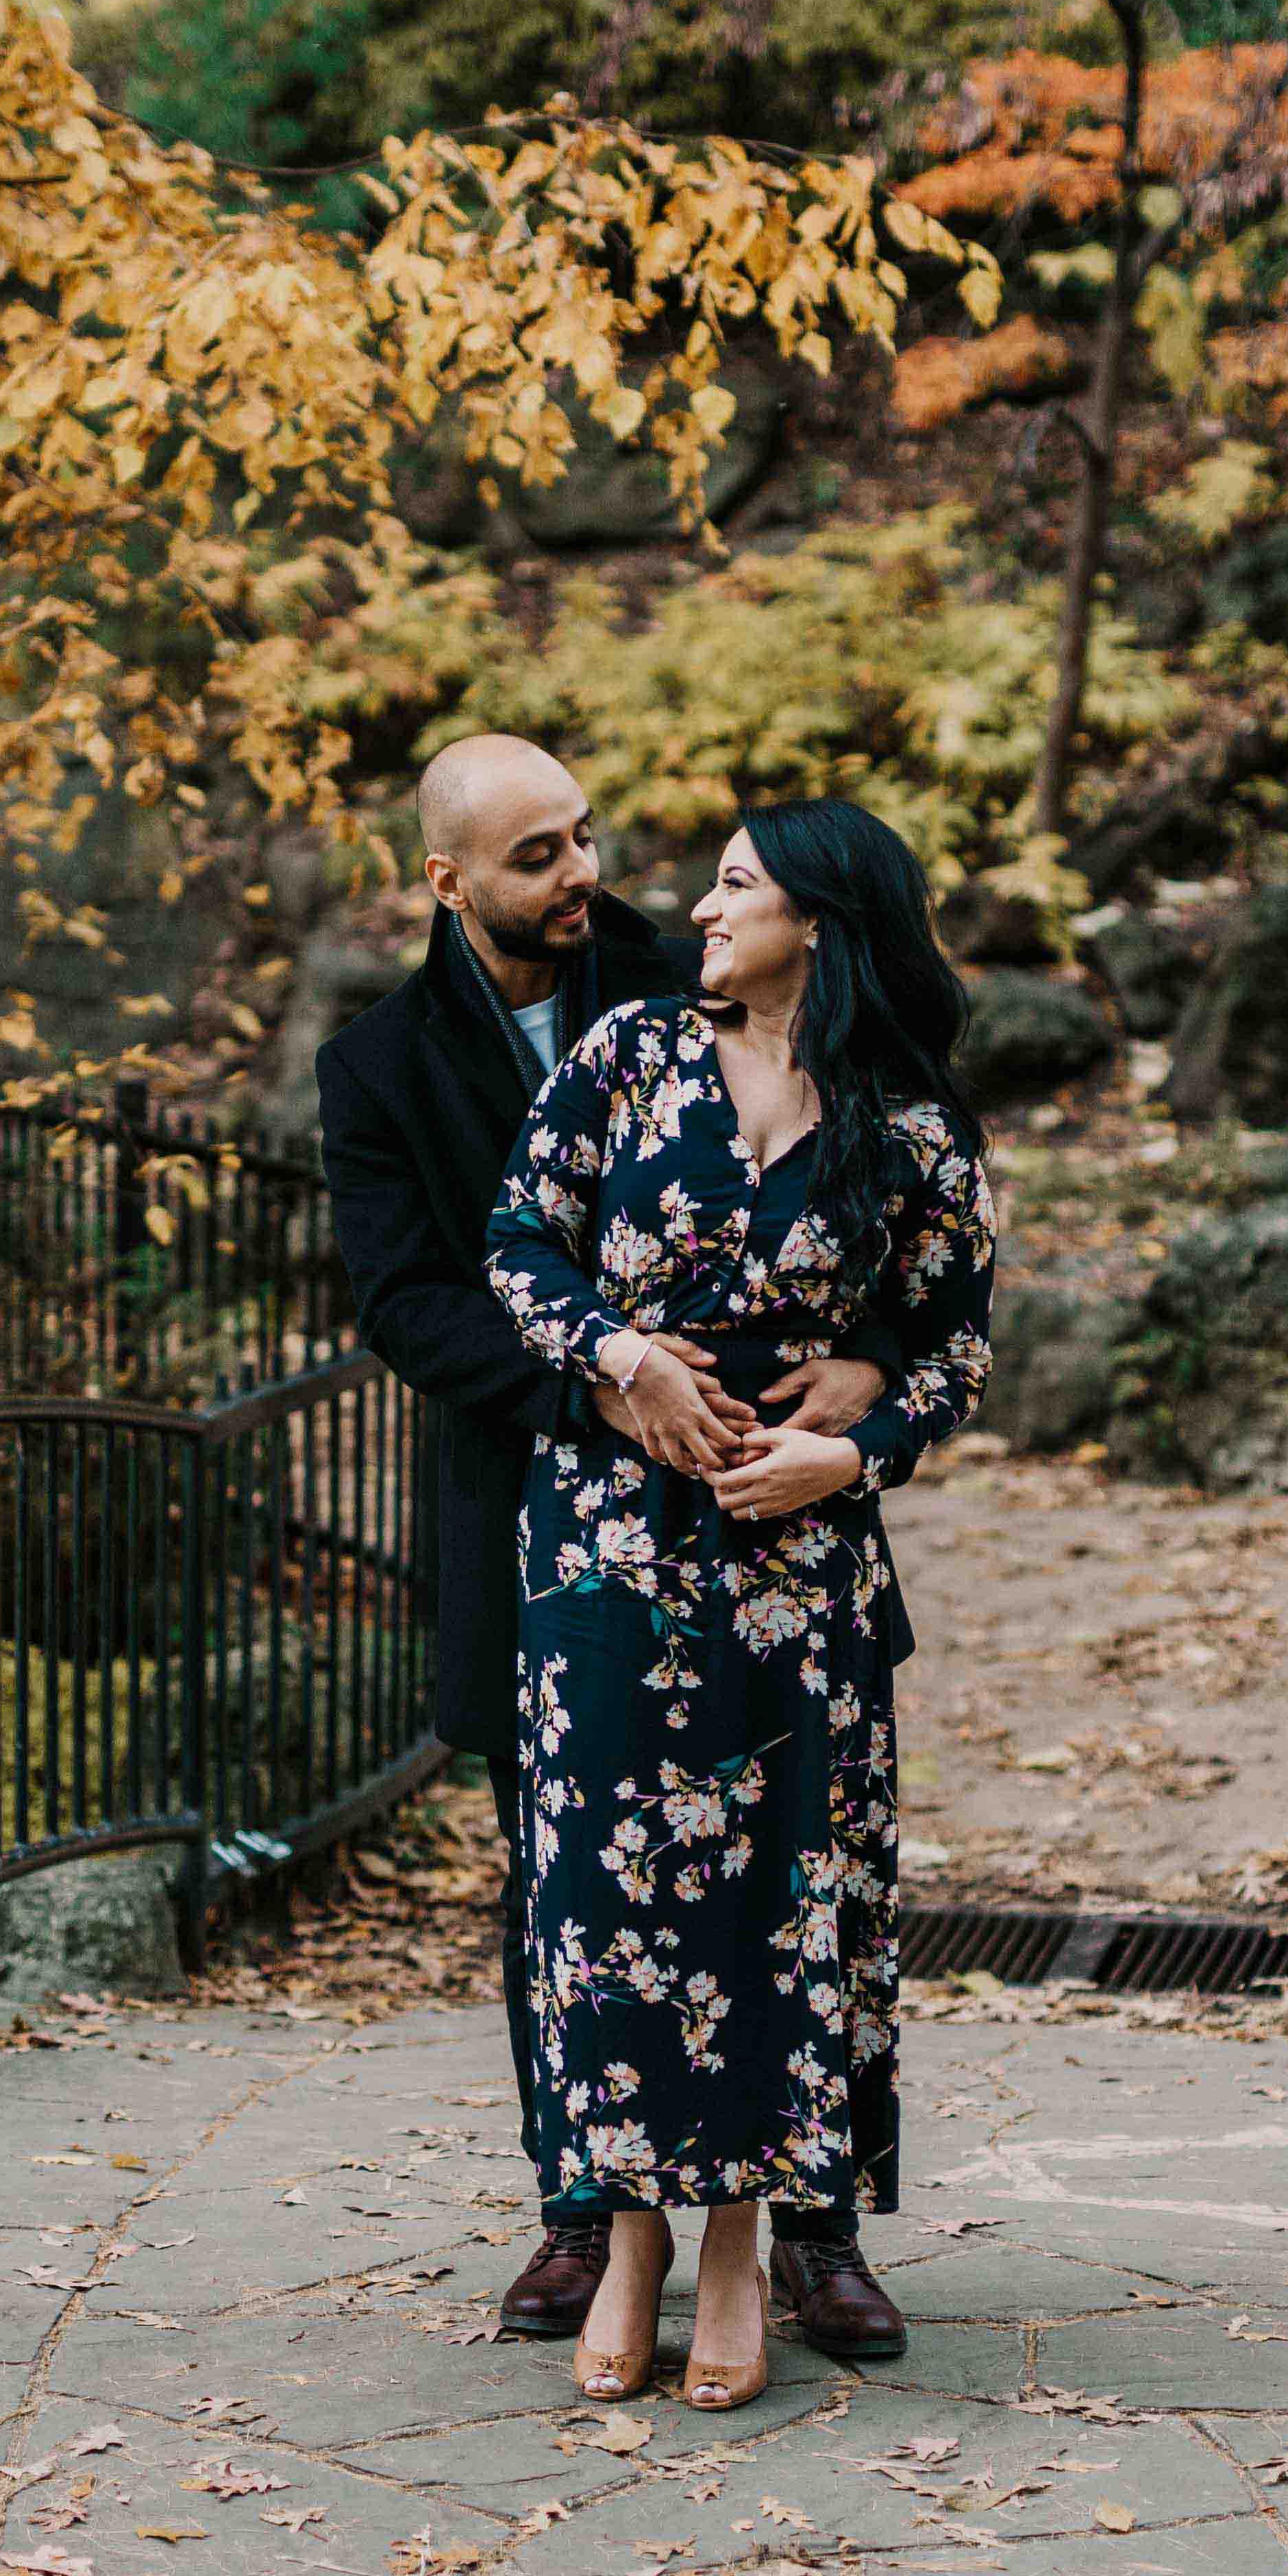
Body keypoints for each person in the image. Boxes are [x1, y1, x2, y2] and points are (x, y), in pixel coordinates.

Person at [312, 736, 903, 2349]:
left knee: (794, 1861)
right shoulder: (375, 1063)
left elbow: (893, 1199)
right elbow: (412, 1295)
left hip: (765, 1520)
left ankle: (814, 2224)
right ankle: (585, 2207)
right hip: (546, 1517)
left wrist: (867, 1362)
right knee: (565, 1880)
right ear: (448, 882)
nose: (581, 874)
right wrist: (607, 1383)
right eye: (535, 856)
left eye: (583, 837)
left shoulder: (699, 960)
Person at [482, 796, 995, 2410]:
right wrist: (619, 1356)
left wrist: (851, 1450)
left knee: (780, 1905)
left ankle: (736, 2248)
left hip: (799, 1583)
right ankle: (626, 2236)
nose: (702, 908)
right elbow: (516, 1241)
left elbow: (958, 1343)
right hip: (606, 1556)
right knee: (606, 1900)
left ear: (823, 921)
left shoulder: (909, 1119)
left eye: (737, 887)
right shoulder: (629, 1054)